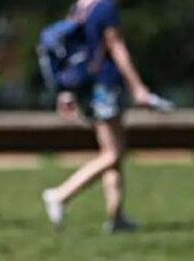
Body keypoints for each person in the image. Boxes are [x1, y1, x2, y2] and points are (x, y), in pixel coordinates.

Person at [41, 0, 162, 233]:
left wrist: (66, 92)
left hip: (87, 86)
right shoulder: (106, 7)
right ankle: (61, 195)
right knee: (113, 154)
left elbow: (68, 51)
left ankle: (116, 217)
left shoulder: (80, 6)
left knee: (112, 152)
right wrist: (138, 87)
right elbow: (116, 47)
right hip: (106, 84)